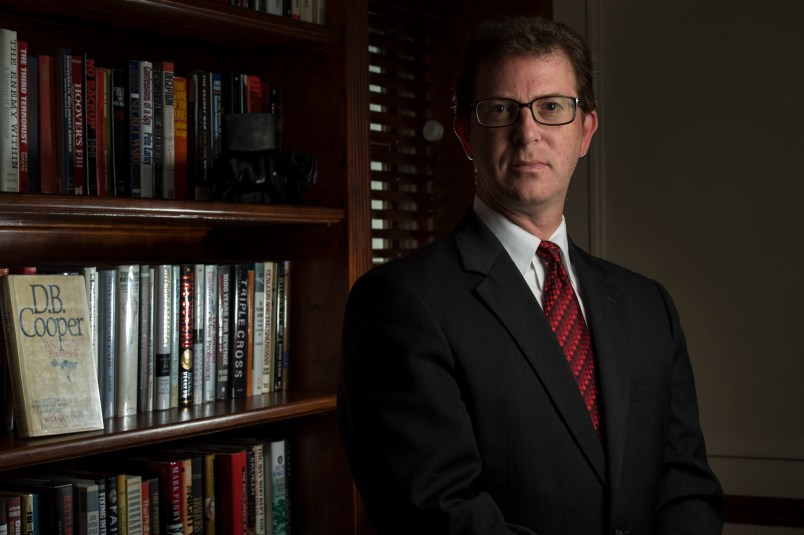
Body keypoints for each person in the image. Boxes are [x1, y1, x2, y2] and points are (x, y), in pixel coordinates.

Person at [337, 15, 724, 535]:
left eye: (552, 108)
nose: (528, 132)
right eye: (500, 110)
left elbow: (687, 486)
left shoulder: (648, 304)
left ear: (585, 130)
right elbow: (440, 514)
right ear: (466, 135)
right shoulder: (399, 304)